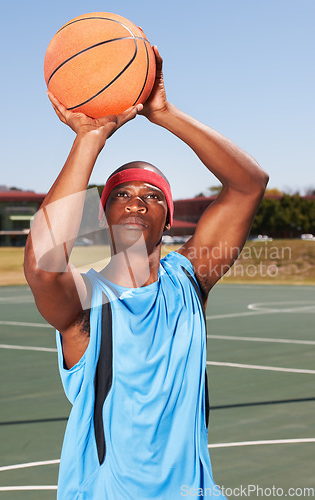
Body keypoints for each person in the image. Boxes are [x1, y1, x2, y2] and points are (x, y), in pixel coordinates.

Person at [24, 46, 268, 499]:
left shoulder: (190, 280)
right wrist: (90, 139)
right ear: (103, 212)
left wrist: (164, 111)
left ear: (169, 218)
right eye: (122, 194)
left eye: (153, 195)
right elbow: (42, 265)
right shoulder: (86, 301)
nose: (137, 201)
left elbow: (249, 184)